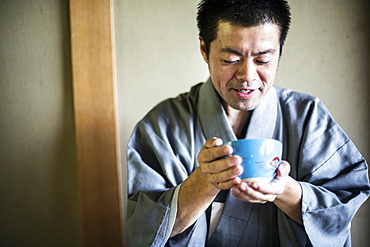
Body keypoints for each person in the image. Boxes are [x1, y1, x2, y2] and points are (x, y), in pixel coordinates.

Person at [126, 0, 370, 246]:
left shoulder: (308, 117)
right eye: (231, 59)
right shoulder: (161, 127)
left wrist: (285, 191)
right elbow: (145, 231)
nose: (247, 76)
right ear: (204, 49)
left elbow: (341, 208)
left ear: (279, 51)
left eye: (262, 60)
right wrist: (204, 182)